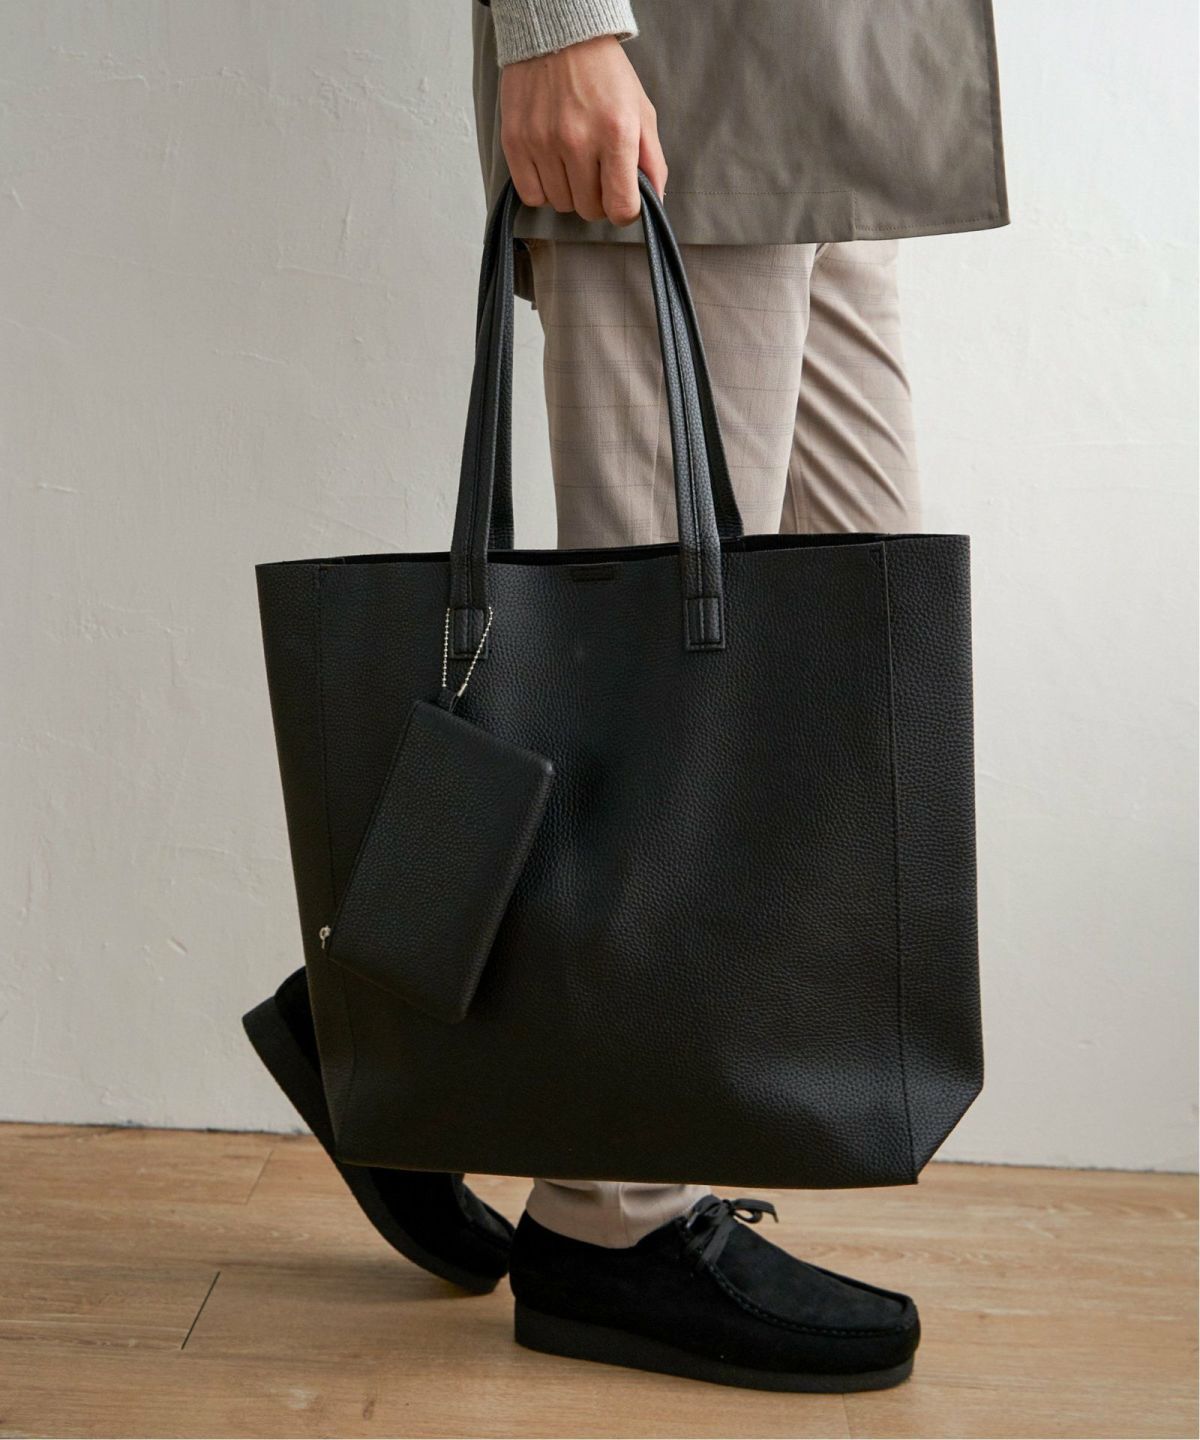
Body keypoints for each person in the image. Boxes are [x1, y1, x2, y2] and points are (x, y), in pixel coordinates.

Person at [245, 0, 1008, 1393]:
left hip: (833, 83)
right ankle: (612, 1220)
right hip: (684, 74)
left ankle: (388, 1001)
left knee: (841, 670)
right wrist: (557, 24)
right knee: (661, 701)